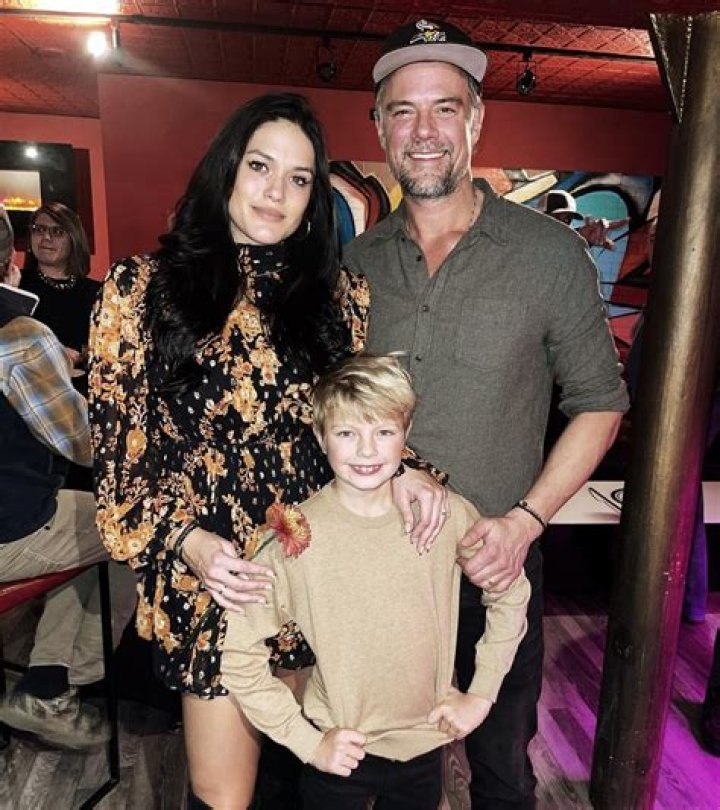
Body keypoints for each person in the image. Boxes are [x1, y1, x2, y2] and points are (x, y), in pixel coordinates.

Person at [88, 92, 446, 809]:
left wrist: (406, 471)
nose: (276, 192)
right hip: (217, 580)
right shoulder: (139, 290)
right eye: (259, 166)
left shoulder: (340, 296)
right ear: (226, 168)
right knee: (225, 795)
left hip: (314, 566)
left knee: (310, 775)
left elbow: (349, 422)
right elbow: (121, 470)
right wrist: (189, 544)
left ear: (315, 198)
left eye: (299, 178)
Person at [343, 19, 629, 808]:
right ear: (379, 127)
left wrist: (525, 523)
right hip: (375, 568)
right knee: (386, 767)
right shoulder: (355, 263)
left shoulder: (549, 255)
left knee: (502, 768)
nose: (424, 130)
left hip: (493, 563)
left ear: (476, 119)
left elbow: (601, 403)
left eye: (445, 107)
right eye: (403, 110)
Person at [222, 354, 530, 810]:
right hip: (337, 752)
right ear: (320, 436)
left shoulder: (444, 516)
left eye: (383, 432)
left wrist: (482, 694)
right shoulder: (293, 538)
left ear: (406, 433)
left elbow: (511, 590)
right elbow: (237, 653)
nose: (366, 451)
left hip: (426, 747)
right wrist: (307, 742)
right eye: (347, 433)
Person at [0, 210, 136, 749]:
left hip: (27, 512)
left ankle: (48, 676)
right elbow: (83, 442)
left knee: (82, 518)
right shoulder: (20, 336)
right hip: (10, 530)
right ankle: (59, 685)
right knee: (133, 528)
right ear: (12, 261)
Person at [20, 202, 99, 371]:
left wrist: (84, 356)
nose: (46, 237)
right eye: (39, 229)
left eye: (57, 231)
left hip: (83, 384)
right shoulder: (15, 285)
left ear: (74, 240)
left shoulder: (98, 293)